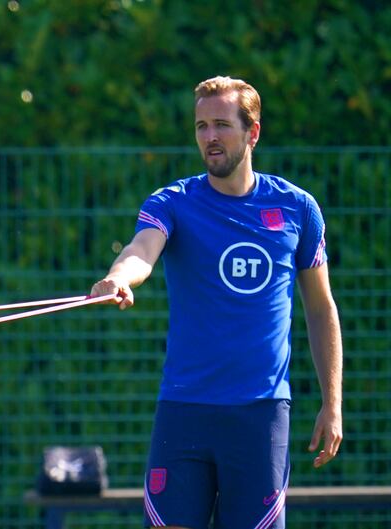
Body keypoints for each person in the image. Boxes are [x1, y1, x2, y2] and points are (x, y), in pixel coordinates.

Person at [90, 76, 343, 529]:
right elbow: (141, 249)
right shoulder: (173, 202)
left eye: (222, 125)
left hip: (261, 416)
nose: (210, 137)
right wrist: (117, 278)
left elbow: (321, 308)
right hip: (185, 413)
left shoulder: (297, 208)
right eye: (202, 126)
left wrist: (332, 402)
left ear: (253, 132)